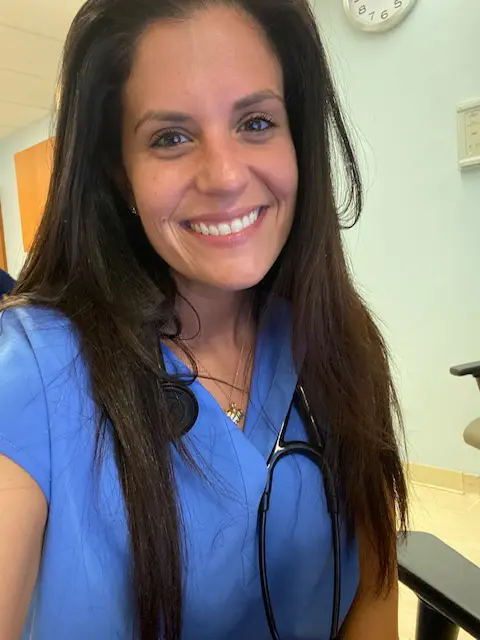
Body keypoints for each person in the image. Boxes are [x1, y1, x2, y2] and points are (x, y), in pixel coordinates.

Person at [0, 1, 408, 639]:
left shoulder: (339, 344)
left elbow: (375, 592)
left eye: (255, 122)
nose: (223, 176)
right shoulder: (29, 373)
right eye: (171, 137)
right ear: (119, 171)